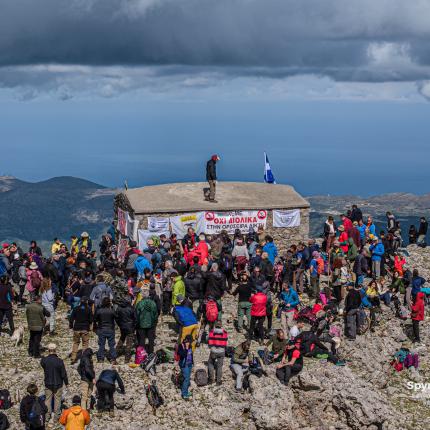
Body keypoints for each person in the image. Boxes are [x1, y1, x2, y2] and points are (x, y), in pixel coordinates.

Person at [40, 343, 69, 423]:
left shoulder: (44, 360)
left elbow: (43, 366)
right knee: (57, 400)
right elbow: (63, 373)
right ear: (55, 350)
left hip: (48, 383)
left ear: (48, 350)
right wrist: (66, 383)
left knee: (47, 400)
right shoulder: (59, 361)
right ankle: (56, 417)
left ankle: (47, 416)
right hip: (58, 383)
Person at [69, 297, 93, 364]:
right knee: (85, 344)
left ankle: (73, 357)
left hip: (76, 328)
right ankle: (84, 358)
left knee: (76, 343)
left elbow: (71, 319)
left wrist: (71, 325)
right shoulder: (89, 309)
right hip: (85, 329)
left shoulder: (76, 308)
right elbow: (91, 320)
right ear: (86, 302)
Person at [94, 297, 117, 363]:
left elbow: (95, 319)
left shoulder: (99, 311)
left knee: (101, 344)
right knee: (112, 345)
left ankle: (100, 358)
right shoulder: (112, 311)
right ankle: (113, 358)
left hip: (101, 329)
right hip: (110, 329)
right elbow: (117, 317)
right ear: (109, 303)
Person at [135, 289, 158, 354]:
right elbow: (155, 314)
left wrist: (137, 323)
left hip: (141, 324)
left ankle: (142, 353)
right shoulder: (153, 303)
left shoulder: (139, 303)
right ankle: (151, 352)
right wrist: (154, 321)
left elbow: (136, 314)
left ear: (142, 295)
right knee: (151, 339)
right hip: (151, 324)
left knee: (142, 339)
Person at [114, 297, 136, 363]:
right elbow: (135, 318)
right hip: (130, 327)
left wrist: (120, 324)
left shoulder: (119, 308)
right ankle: (127, 358)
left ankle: (115, 354)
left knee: (122, 339)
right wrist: (134, 326)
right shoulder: (131, 308)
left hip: (122, 326)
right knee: (129, 343)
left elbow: (116, 318)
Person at [177, 335, 194, 400]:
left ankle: (186, 391)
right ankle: (184, 394)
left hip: (189, 364)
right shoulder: (181, 346)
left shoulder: (190, 345)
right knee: (186, 378)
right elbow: (182, 355)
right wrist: (186, 348)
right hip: (184, 365)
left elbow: (191, 354)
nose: (191, 343)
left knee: (187, 378)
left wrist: (192, 362)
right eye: (190, 341)